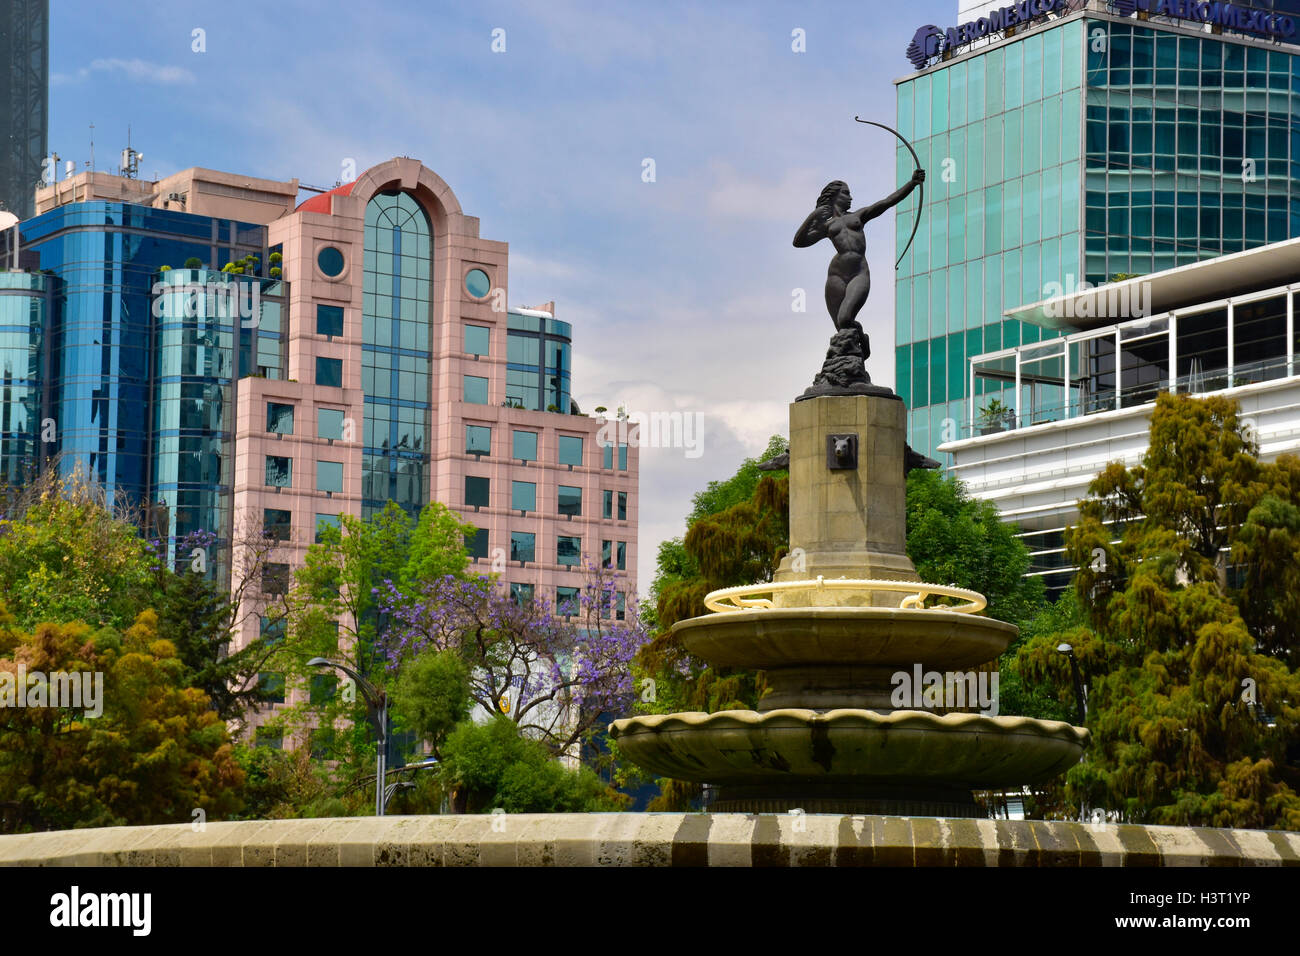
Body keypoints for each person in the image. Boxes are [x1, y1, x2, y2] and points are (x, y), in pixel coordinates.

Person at [794, 169, 925, 354]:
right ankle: (847, 359)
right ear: (835, 196)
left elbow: (886, 202)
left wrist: (912, 184)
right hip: (836, 275)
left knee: (846, 318)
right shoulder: (827, 226)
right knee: (841, 327)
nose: (851, 198)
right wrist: (813, 216)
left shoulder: (858, 216)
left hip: (858, 272)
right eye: (846, 193)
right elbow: (798, 242)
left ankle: (862, 337)